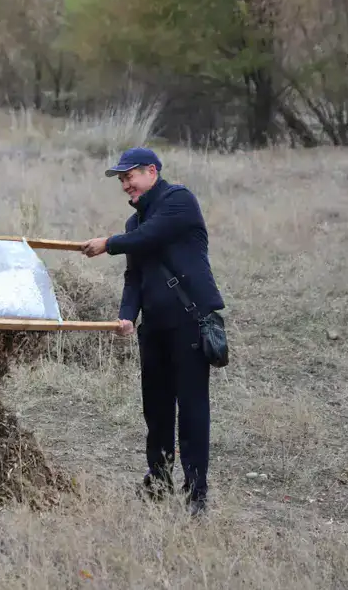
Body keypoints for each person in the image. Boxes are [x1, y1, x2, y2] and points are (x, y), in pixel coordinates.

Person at [80, 147, 225, 516]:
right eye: (123, 180)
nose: (126, 185)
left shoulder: (179, 201)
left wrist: (107, 243)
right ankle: (158, 481)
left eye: (131, 176)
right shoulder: (134, 226)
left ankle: (197, 493)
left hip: (189, 322)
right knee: (156, 409)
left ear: (153, 172)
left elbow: (151, 236)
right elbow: (134, 278)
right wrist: (127, 315)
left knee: (192, 409)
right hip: (154, 328)